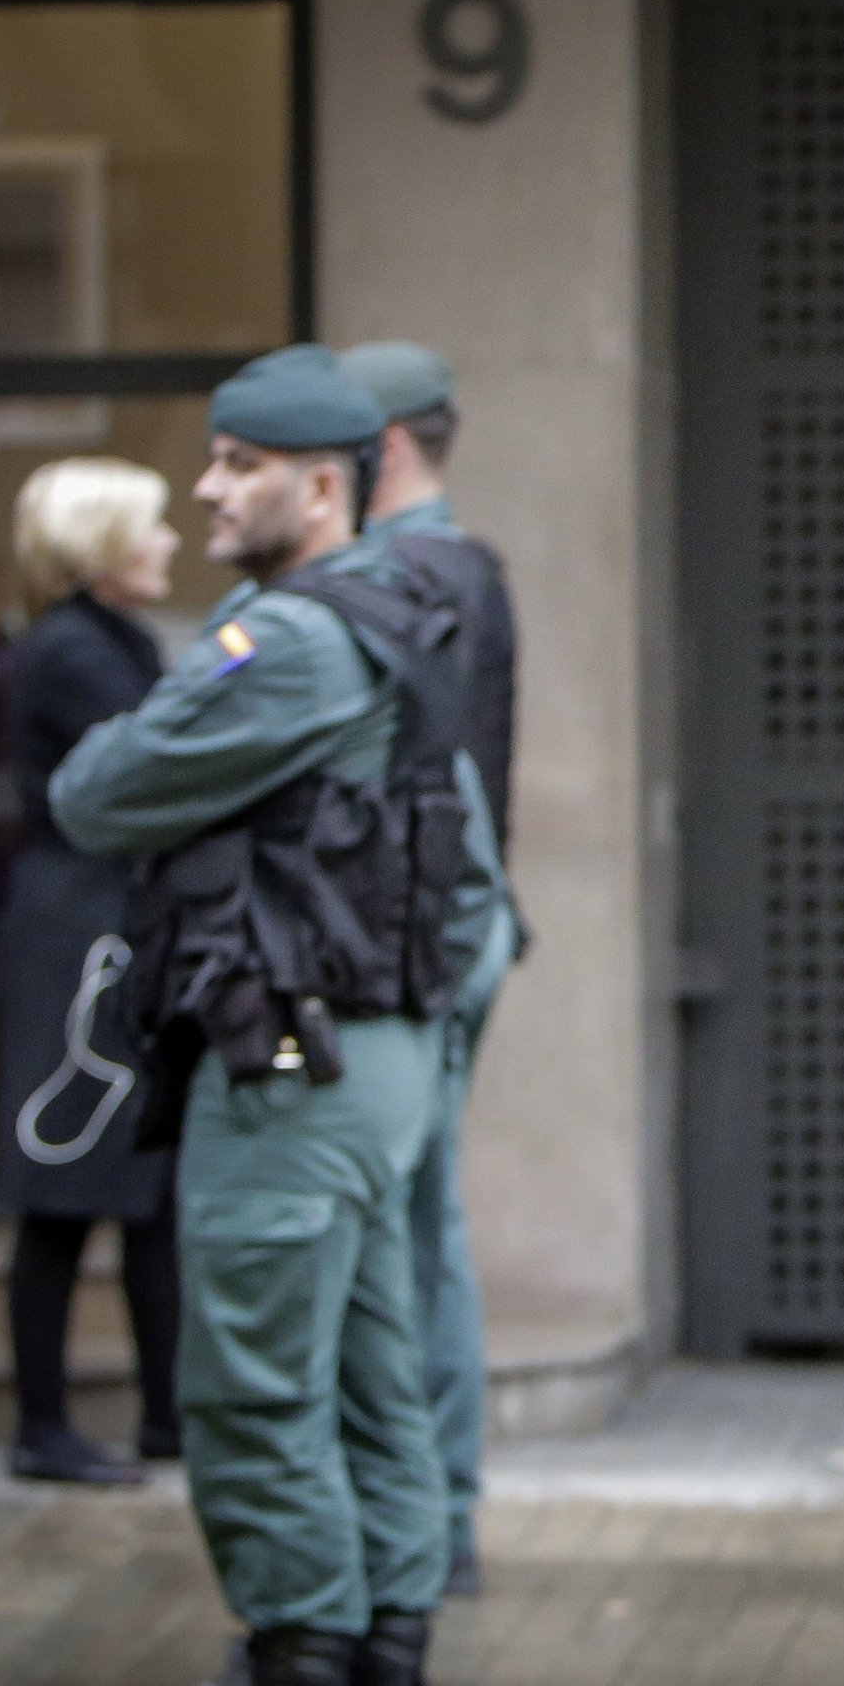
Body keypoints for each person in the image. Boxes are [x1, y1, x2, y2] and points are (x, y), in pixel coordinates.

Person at [55, 345, 480, 1686]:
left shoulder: (289, 643)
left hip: (289, 1073)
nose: (205, 486)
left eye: (236, 464)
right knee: (373, 1395)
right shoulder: (409, 616)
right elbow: (474, 889)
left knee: (254, 1398)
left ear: (321, 482)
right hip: (376, 1064)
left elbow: (95, 792)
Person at [342, 341, 519, 1599]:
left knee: (414, 1241)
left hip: (425, 943)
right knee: (422, 1229)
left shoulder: (408, 576)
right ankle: (435, 1516)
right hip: (453, 931)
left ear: (385, 447)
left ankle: (431, 1522)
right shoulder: (470, 569)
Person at [0, 459, 185, 1486]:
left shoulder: (109, 641)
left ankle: (165, 1410)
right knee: (64, 1182)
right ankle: (43, 1427)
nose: (170, 544)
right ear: (103, 543)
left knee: (144, 1185)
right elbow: (161, 755)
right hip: (80, 933)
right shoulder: (74, 652)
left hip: (107, 926)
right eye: (150, 528)